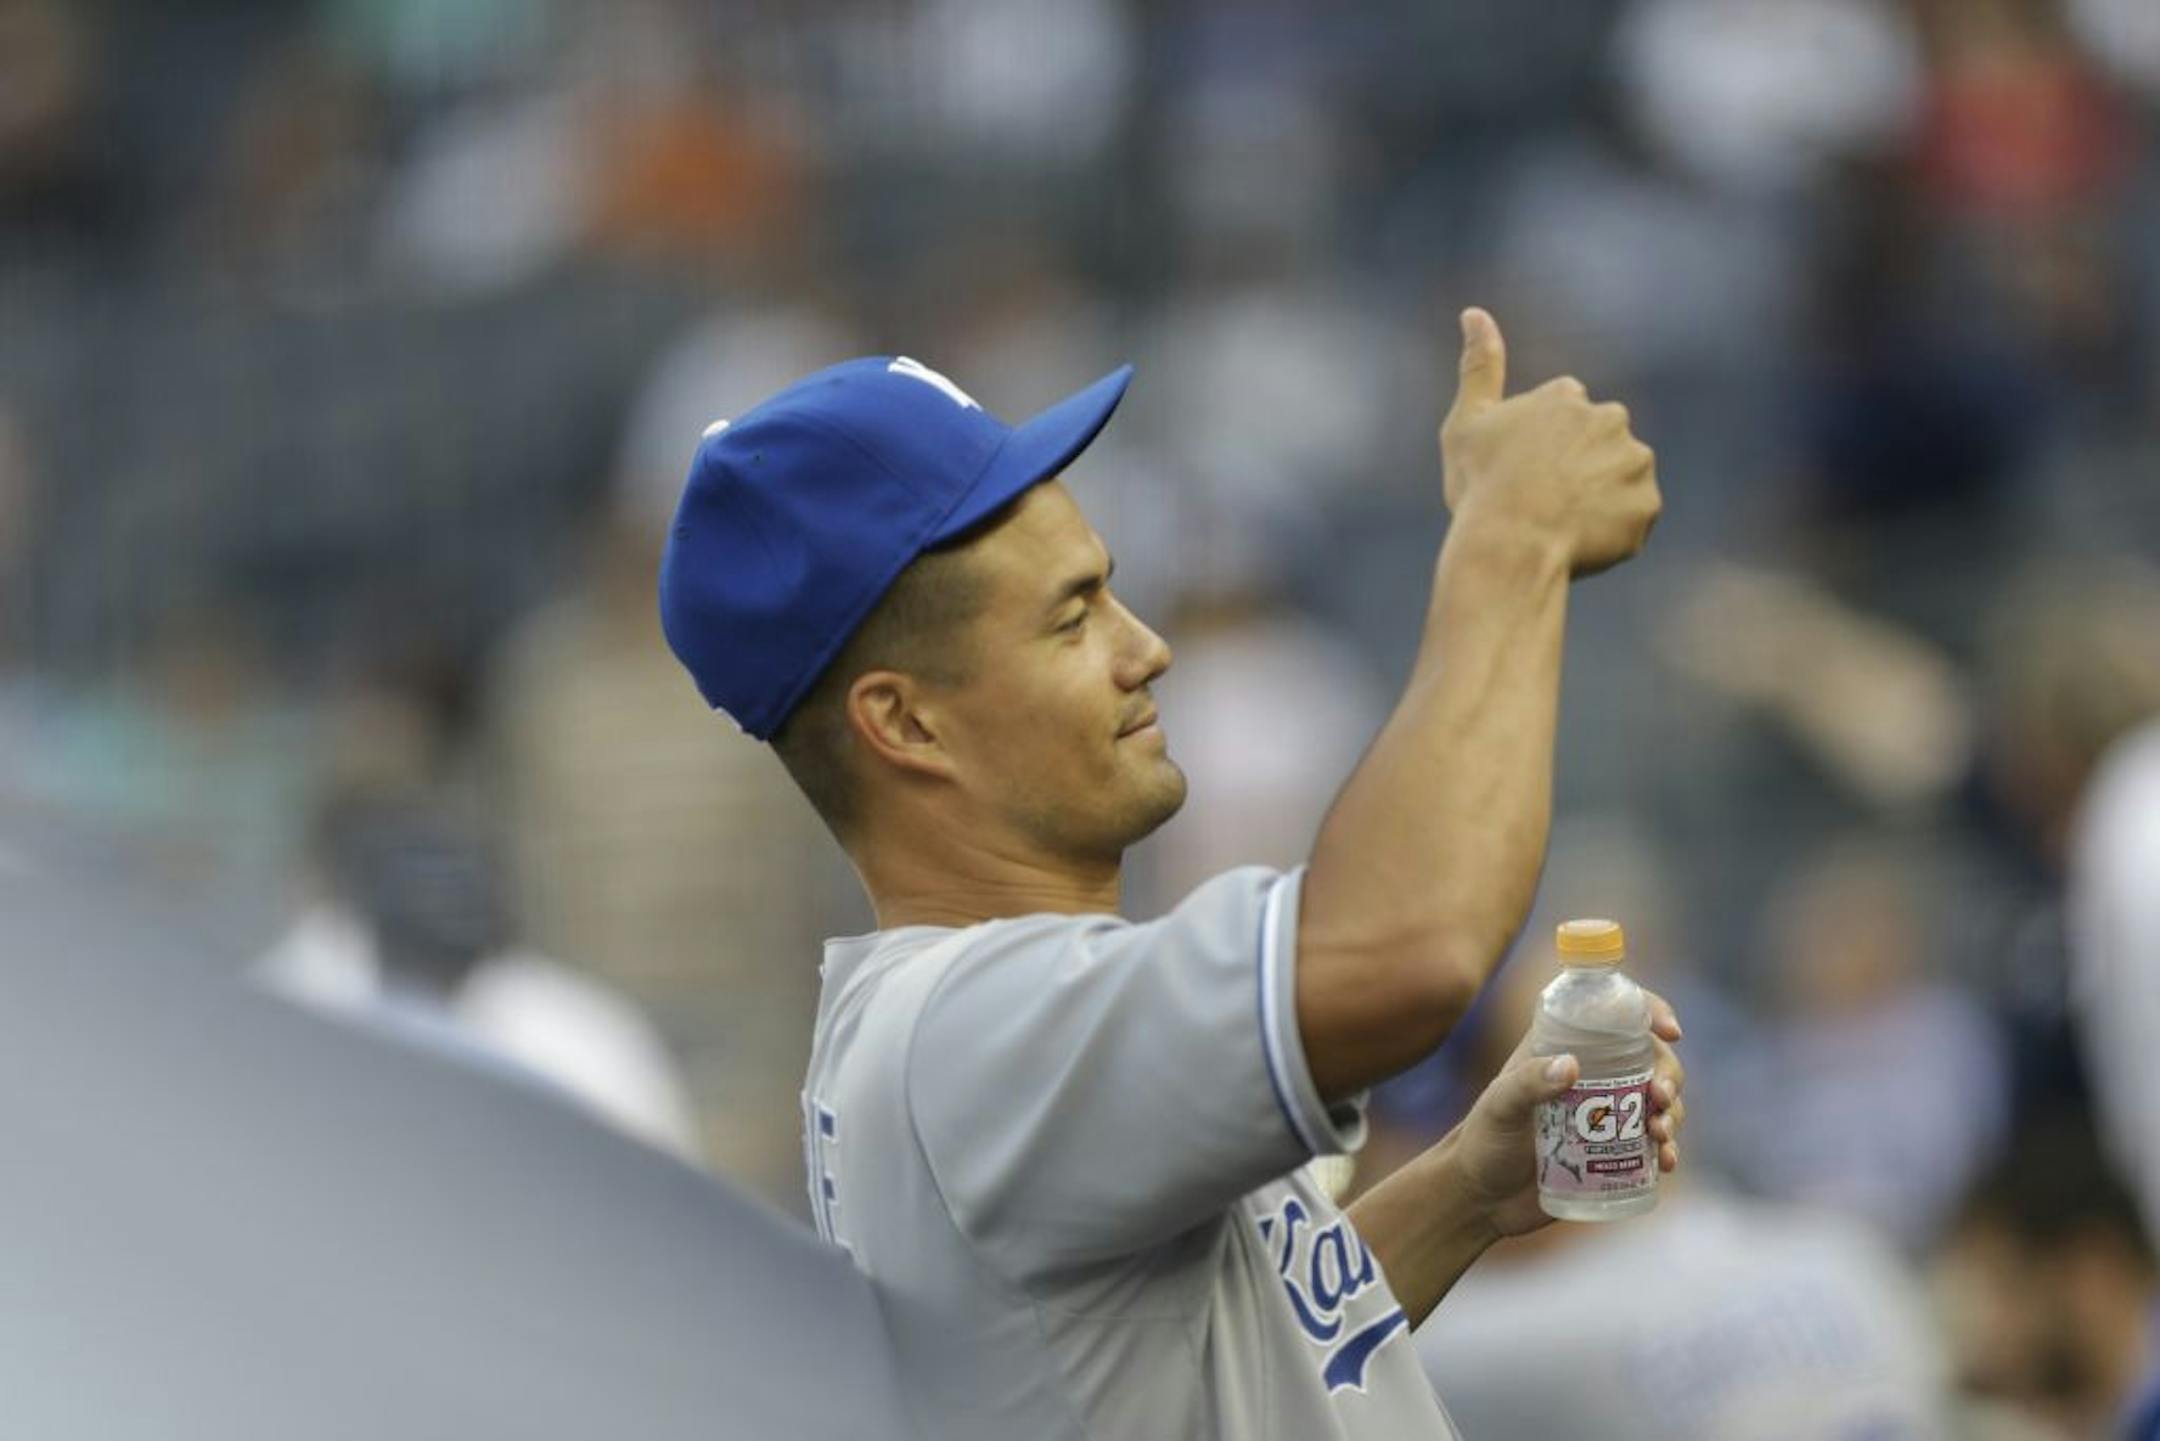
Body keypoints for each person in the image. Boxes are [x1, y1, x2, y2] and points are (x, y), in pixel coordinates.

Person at [657, 313, 1681, 1437]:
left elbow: (1243, 1354)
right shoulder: (971, 1028)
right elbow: (1406, 953)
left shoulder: (973, 1027)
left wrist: (1463, 1191)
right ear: (906, 722)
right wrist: (1510, 542)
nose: (1145, 646)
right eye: (1072, 617)